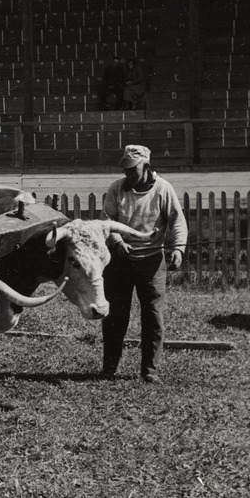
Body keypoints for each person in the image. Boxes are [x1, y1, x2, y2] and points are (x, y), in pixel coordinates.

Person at [100, 145, 187, 383]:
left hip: (151, 262)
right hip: (119, 261)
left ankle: (150, 371)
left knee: (153, 317)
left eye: (132, 169)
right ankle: (109, 368)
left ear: (146, 167)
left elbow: (178, 221)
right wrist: (117, 242)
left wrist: (178, 249)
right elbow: (107, 220)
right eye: (125, 169)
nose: (128, 174)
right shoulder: (116, 189)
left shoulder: (163, 189)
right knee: (115, 317)